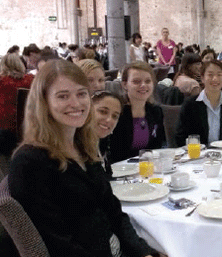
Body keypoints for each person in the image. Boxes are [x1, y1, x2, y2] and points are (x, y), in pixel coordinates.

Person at [8, 59, 161, 256]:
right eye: (63, 96)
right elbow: (57, 245)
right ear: (44, 102)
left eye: (82, 94)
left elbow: (114, 213)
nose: (76, 103)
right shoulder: (30, 162)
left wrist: (142, 252)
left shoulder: (84, 147)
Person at [175, 60, 222, 146]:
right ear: (202, 78)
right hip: (199, 155)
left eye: (219, 75)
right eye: (210, 75)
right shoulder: (190, 104)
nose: (215, 79)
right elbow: (180, 137)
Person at [109, 61, 165, 163]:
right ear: (125, 84)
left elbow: (157, 146)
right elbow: (114, 153)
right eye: (136, 81)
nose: (143, 85)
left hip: (148, 168)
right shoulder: (116, 113)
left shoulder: (156, 111)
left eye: (148, 81)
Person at [92, 91, 123, 180]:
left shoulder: (103, 143)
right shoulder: (75, 147)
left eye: (115, 116)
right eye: (103, 112)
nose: (109, 120)